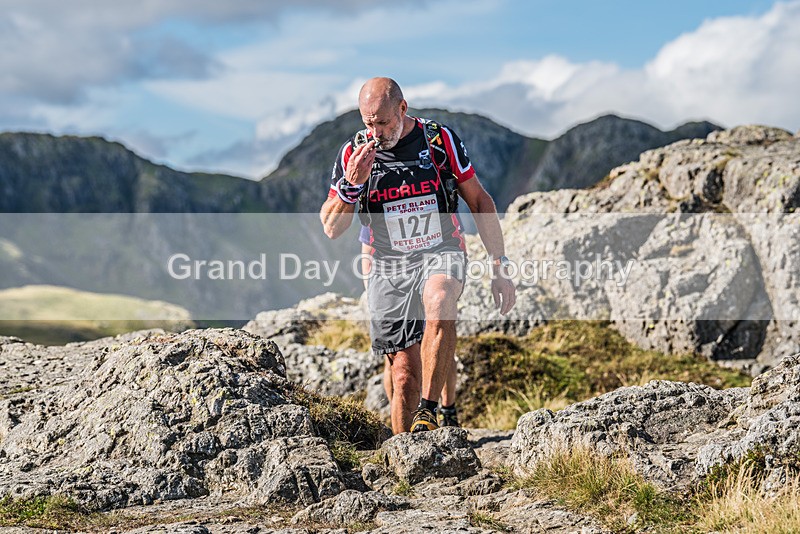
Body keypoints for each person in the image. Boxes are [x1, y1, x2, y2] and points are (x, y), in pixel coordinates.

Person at [320, 77, 515, 434]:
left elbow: (479, 200)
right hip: (388, 263)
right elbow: (331, 227)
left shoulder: (440, 141)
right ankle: (405, 464)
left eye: (383, 122)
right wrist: (352, 185)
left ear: (403, 109)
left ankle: (431, 410)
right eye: (368, 123)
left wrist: (499, 265)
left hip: (441, 249)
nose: (376, 132)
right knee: (403, 373)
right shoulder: (354, 153)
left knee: (440, 299)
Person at [359, 227, 461, 427]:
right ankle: (402, 416)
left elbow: (458, 239)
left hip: (432, 280)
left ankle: (447, 411)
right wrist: (375, 296)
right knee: (397, 362)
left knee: (440, 344)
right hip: (394, 288)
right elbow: (367, 251)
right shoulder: (381, 201)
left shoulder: (441, 201)